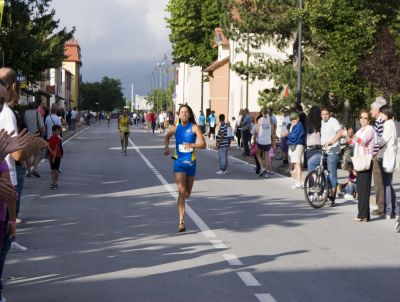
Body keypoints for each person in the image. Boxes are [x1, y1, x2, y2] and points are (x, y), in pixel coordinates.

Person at [164, 104, 206, 232]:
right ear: (179, 114)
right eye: (182, 112)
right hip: (179, 162)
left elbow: (203, 144)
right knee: (181, 191)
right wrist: (166, 147)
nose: (184, 114)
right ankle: (181, 221)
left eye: (186, 112)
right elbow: (166, 137)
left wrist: (192, 145)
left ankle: (182, 206)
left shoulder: (194, 128)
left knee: (187, 194)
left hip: (191, 163)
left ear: (189, 114)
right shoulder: (175, 129)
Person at [309, 106, 346, 206]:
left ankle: (332, 198)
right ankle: (318, 185)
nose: (324, 116)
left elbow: (340, 133)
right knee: (311, 162)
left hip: (333, 152)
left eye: (326, 114)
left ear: (329, 114)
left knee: (332, 174)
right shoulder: (321, 122)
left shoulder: (333, 121)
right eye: (323, 114)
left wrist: (331, 142)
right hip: (323, 151)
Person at [348, 111, 375, 221]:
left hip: (366, 160)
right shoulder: (359, 131)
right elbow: (352, 144)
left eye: (365, 118)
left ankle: (362, 215)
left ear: (368, 120)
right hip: (359, 161)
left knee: (364, 189)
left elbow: (363, 142)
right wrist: (346, 136)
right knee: (361, 188)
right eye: (361, 117)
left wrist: (353, 136)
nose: (363, 120)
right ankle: (364, 215)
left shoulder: (370, 129)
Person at [377, 105, 398, 220]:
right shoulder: (392, 124)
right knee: (388, 183)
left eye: (381, 113)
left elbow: (383, 141)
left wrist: (375, 143)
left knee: (386, 184)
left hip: (387, 156)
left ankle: (389, 210)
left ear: (386, 113)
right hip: (389, 155)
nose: (380, 115)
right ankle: (393, 209)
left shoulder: (388, 124)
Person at [370, 97, 386, 217]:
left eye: (372, 109)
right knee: (380, 182)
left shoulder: (381, 122)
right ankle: (383, 206)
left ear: (378, 109)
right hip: (378, 154)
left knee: (378, 182)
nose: (371, 111)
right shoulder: (379, 121)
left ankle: (381, 208)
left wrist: (374, 153)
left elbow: (379, 140)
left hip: (378, 155)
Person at [24, 101, 44, 178]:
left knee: (27, 154)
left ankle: (29, 171)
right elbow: (41, 126)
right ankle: (34, 169)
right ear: (35, 106)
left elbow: (24, 123)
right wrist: (42, 134)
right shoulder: (37, 113)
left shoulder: (25, 113)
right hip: (35, 135)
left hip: (27, 135)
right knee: (37, 153)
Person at [288, 112, 305, 189]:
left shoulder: (298, 126)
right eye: (291, 119)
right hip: (298, 145)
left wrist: (288, 135)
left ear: (298, 118)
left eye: (294, 119)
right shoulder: (297, 125)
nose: (293, 120)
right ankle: (299, 181)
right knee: (297, 164)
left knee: (297, 164)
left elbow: (293, 137)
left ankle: (298, 182)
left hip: (297, 145)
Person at [255, 108, 273, 178]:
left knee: (257, 154)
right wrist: (273, 141)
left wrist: (254, 138)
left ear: (262, 113)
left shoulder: (260, 120)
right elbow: (272, 130)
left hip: (261, 140)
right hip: (268, 141)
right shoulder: (270, 119)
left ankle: (262, 167)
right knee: (266, 157)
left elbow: (257, 130)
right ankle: (266, 173)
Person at [305, 106, 321, 172]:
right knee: (318, 169)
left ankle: (312, 181)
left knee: (311, 169)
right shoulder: (321, 124)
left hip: (309, 148)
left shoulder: (308, 123)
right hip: (318, 148)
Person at [48, 125, 63, 190]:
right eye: (57, 130)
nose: (58, 132)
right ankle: (54, 183)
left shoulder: (57, 138)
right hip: (55, 156)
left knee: (55, 170)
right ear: (53, 131)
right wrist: (53, 156)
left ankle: (54, 183)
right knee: (54, 170)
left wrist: (52, 154)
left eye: (59, 130)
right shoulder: (53, 138)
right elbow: (55, 148)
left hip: (56, 156)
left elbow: (55, 147)